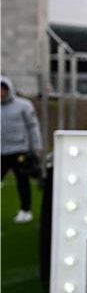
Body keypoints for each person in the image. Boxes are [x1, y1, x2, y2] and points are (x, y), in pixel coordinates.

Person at [1, 77, 43, 224]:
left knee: (22, 181)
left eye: (3, 89)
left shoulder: (23, 105)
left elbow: (33, 126)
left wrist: (36, 147)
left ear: (9, 89)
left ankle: (25, 211)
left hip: (19, 150)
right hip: (1, 151)